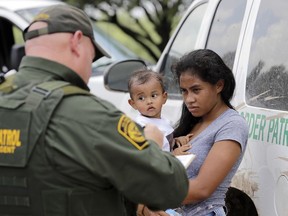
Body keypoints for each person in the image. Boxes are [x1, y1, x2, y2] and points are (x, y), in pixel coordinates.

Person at [0, 5, 189, 216]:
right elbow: (172, 187)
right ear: (77, 42)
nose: (89, 71)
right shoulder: (89, 114)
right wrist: (152, 144)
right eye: (92, 58)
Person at [146, 49, 249, 215]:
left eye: (196, 90)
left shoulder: (232, 125)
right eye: (184, 91)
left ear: (219, 85)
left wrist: (147, 198)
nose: (189, 99)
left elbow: (202, 188)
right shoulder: (191, 122)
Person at [128, 69, 193, 155]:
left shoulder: (164, 121)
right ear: (133, 104)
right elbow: (150, 156)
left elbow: (164, 143)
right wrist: (173, 154)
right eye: (141, 98)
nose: (149, 101)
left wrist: (175, 141)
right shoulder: (142, 127)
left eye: (154, 95)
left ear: (164, 97)